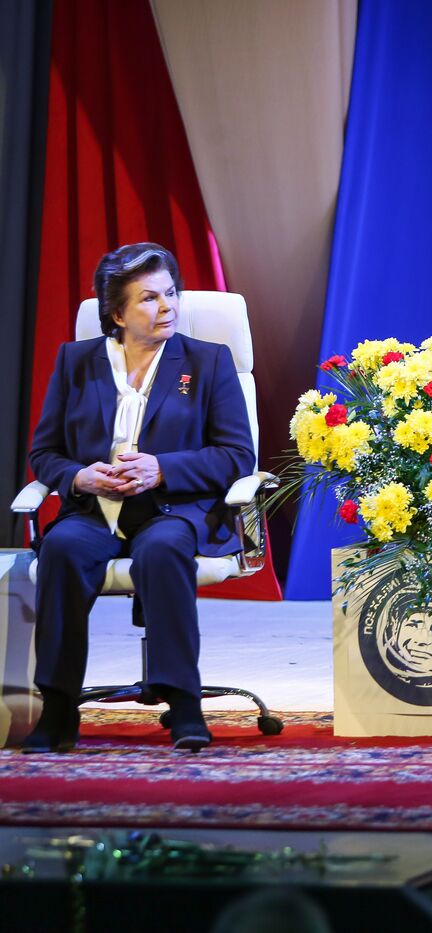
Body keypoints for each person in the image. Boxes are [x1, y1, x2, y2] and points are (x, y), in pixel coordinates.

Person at [22, 242, 255, 753]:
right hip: (95, 511)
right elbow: (45, 452)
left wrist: (161, 469)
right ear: (117, 313)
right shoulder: (76, 361)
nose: (167, 307)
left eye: (171, 293)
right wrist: (80, 477)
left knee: (162, 549)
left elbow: (237, 455)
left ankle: (185, 705)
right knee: (61, 549)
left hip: (174, 508)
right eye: (149, 299)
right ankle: (58, 708)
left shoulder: (208, 361)